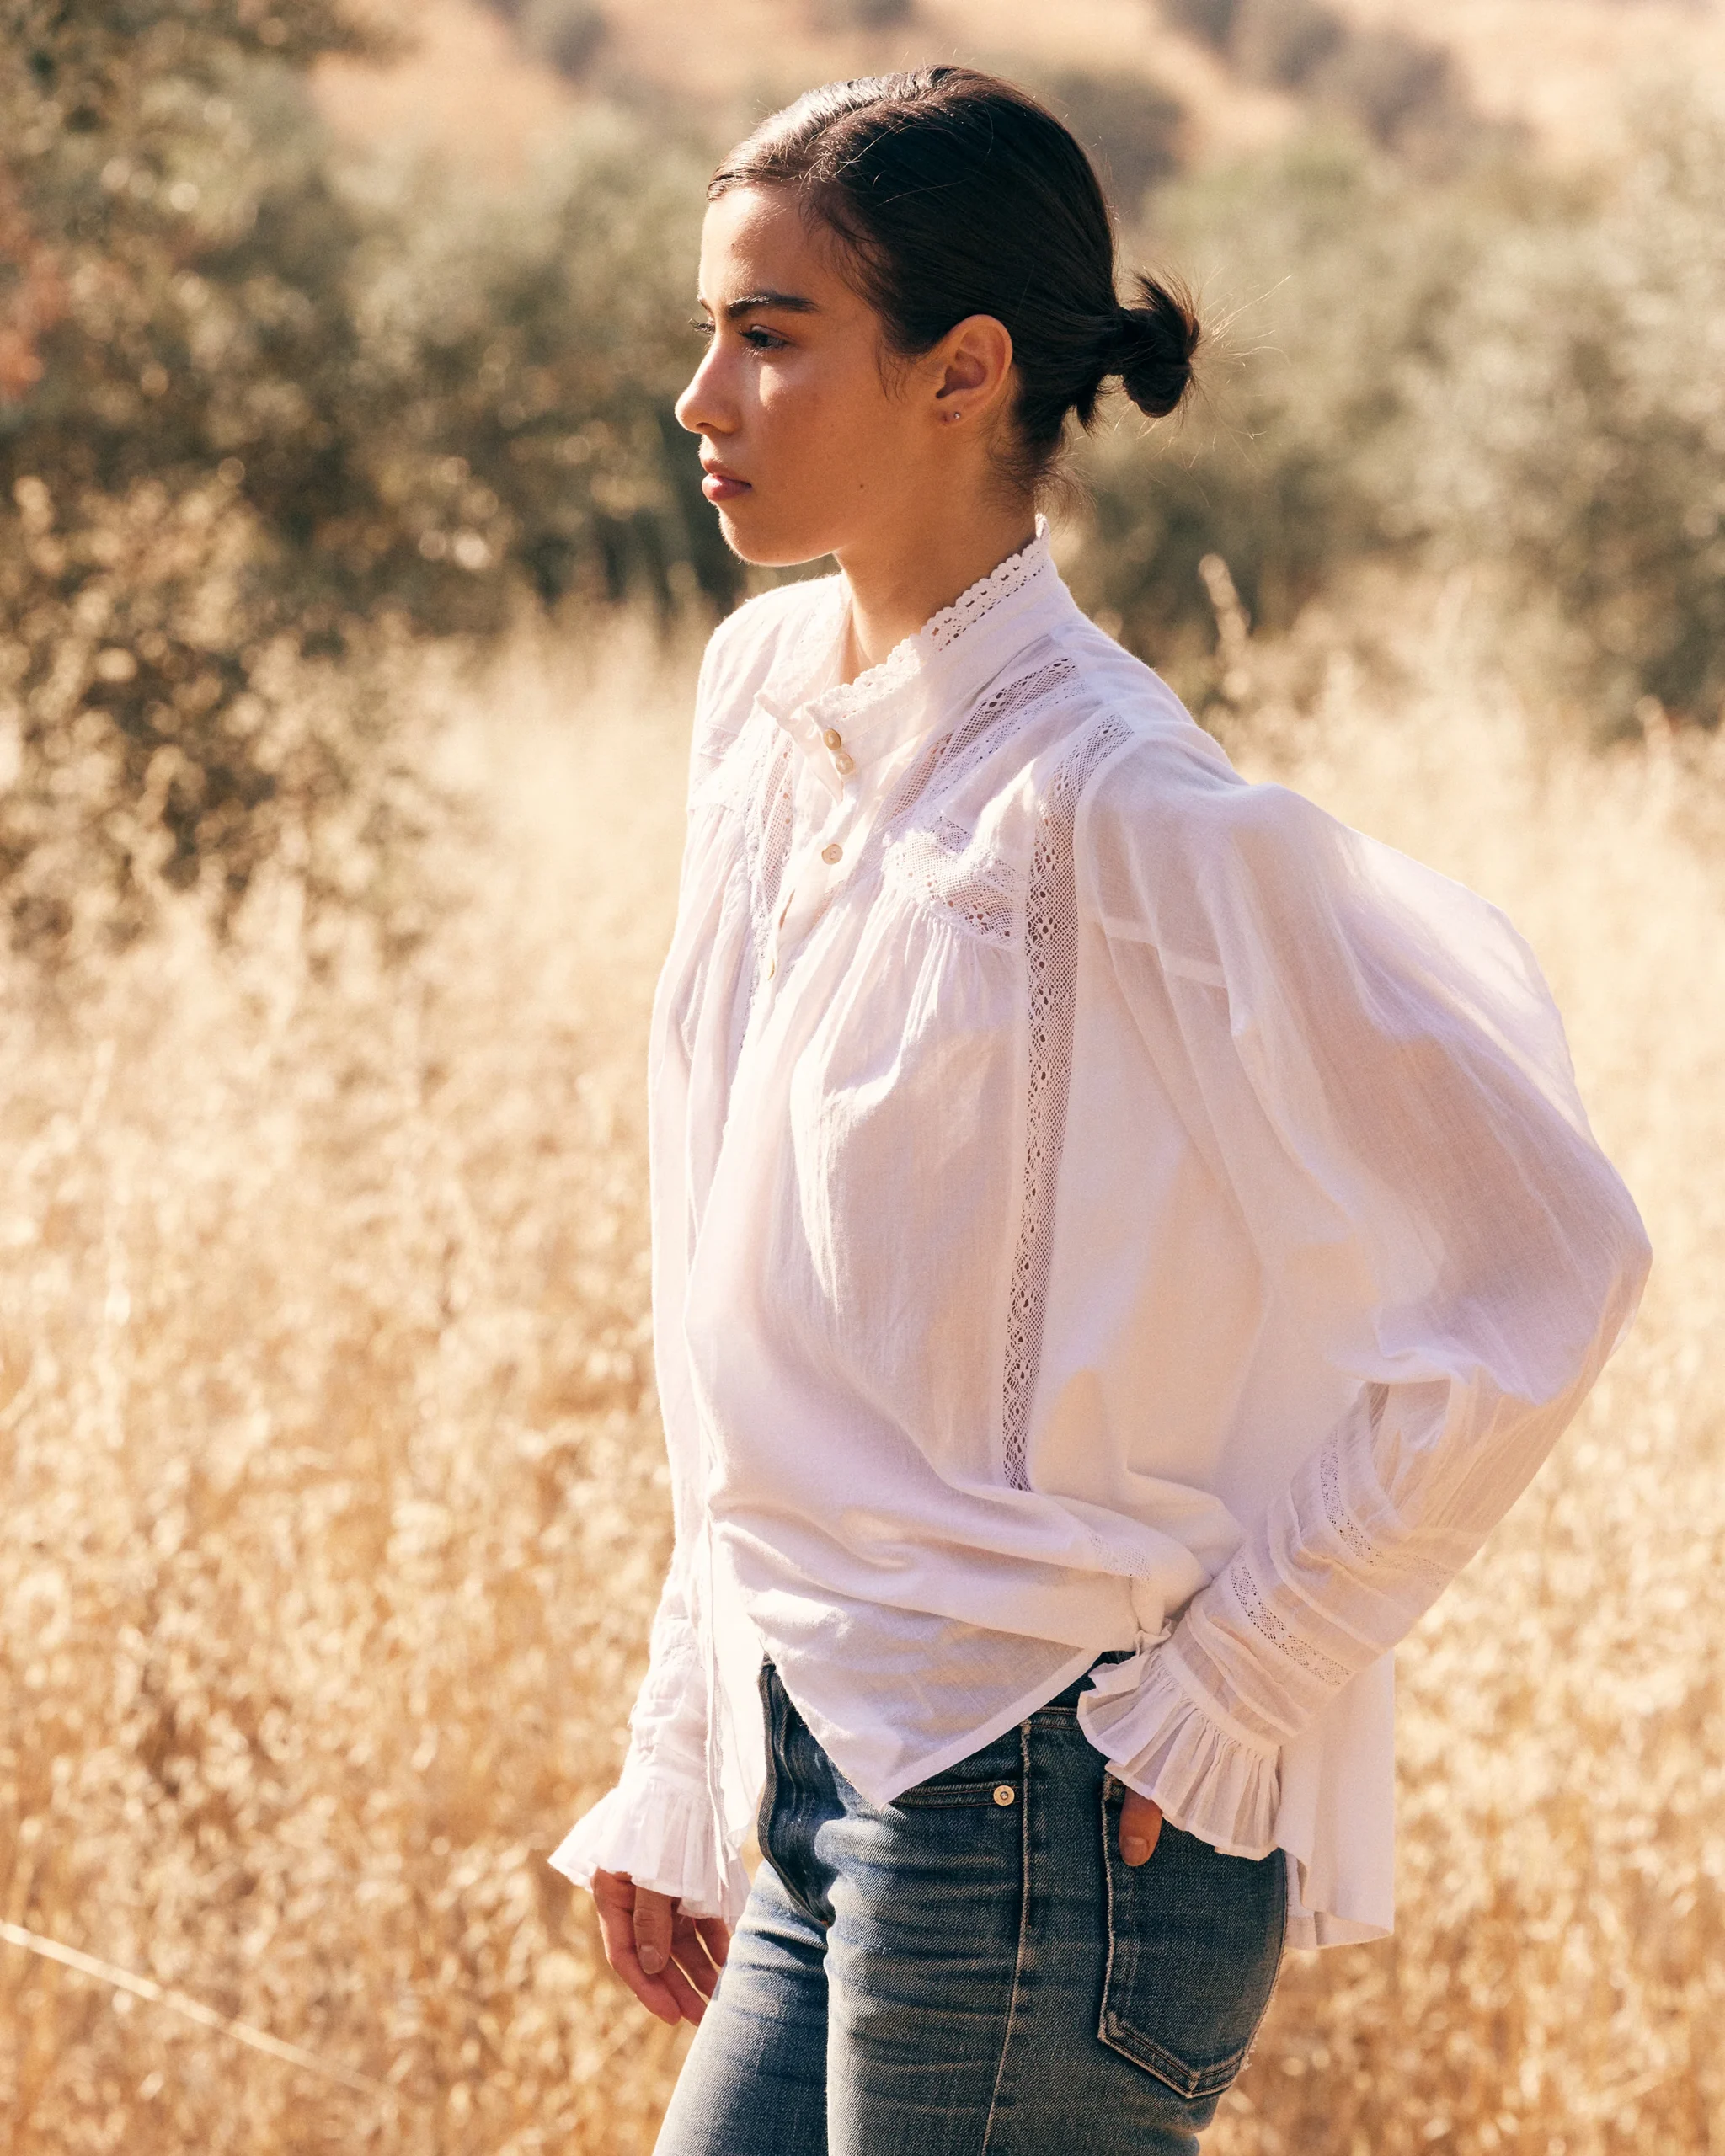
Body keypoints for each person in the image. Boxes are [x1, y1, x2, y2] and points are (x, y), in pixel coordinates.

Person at [549, 67, 1651, 2156]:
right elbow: (745, 1302)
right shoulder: (763, 701)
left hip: (1044, 1820)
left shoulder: (1122, 804)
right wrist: (687, 1741)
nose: (700, 397)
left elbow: (1547, 1259)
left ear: (963, 371)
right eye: (708, 329)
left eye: (769, 335)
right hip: (822, 1762)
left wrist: (1237, 1685)